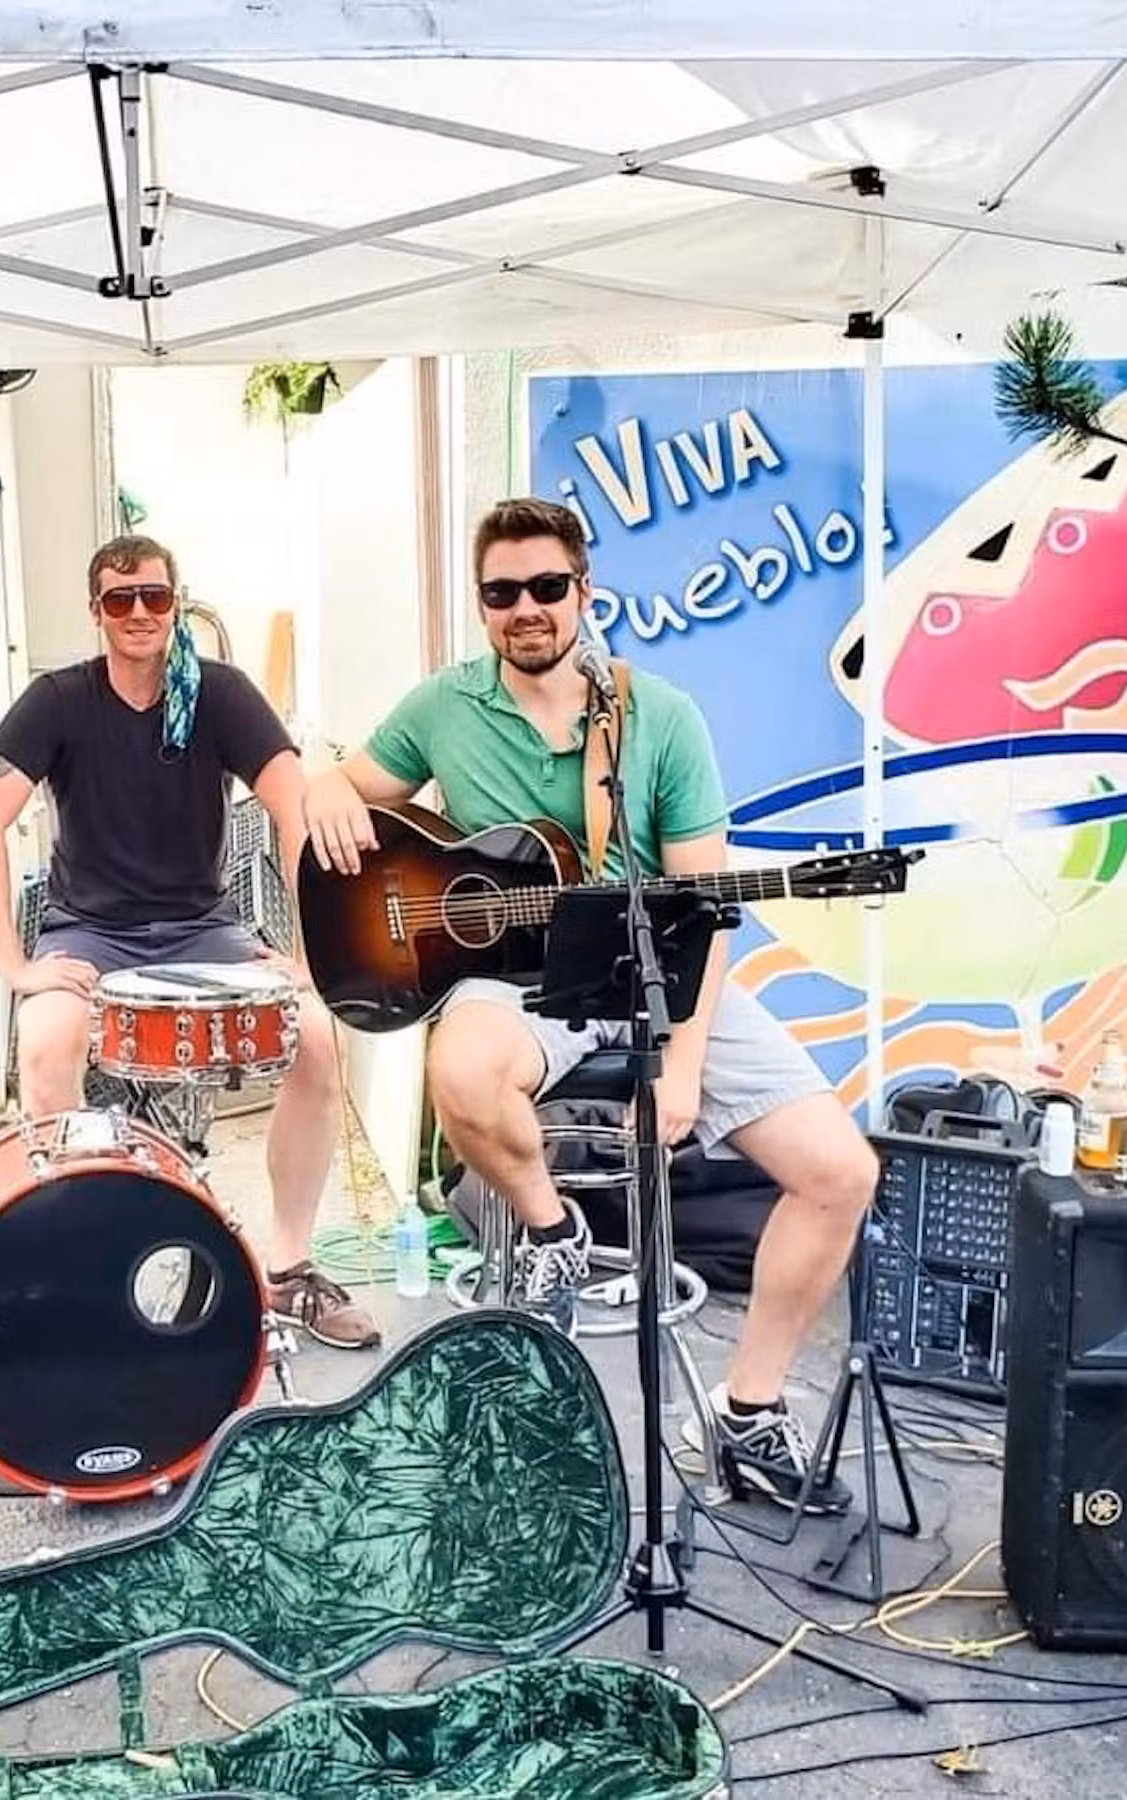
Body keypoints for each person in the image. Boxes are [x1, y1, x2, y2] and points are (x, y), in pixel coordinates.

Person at [303, 496, 879, 1512]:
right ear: (482, 606)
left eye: (545, 587)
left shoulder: (657, 716)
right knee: (460, 1075)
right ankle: (551, 1230)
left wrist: (687, 1064)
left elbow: (702, 910)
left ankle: (748, 1415)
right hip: (523, 977)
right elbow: (339, 789)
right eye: (501, 592)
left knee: (840, 1171)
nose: (525, 608)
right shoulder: (443, 706)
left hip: (663, 964)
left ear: (584, 592)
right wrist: (327, 790)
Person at [0, 533, 380, 1351]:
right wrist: (14, 965)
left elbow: (295, 810)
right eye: (121, 600)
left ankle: (288, 1271)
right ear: (97, 614)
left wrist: (310, 953)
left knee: (320, 1039)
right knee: (44, 1045)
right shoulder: (59, 699)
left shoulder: (216, 693)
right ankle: (85, 1274)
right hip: (91, 930)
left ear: (175, 602)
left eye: (154, 596)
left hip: (203, 930)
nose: (140, 613)